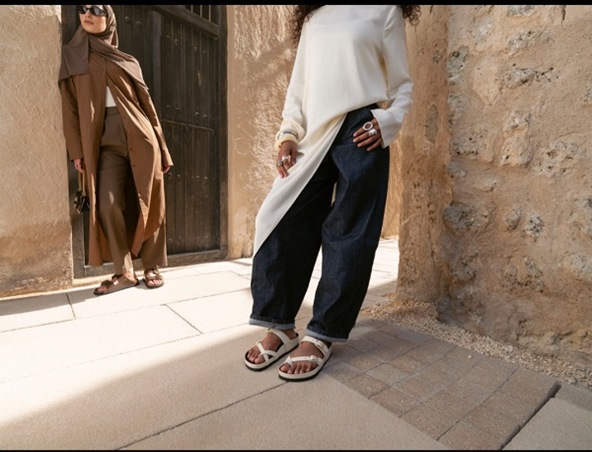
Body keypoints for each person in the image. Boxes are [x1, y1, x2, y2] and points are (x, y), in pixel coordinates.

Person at [244, 5, 420, 381]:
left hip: (361, 129)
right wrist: (288, 133)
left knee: (349, 232)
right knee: (279, 218)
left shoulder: (384, 10)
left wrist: (387, 121)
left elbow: (401, 84)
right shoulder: (315, 16)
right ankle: (281, 325)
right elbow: (299, 86)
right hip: (312, 134)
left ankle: (323, 332)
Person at [59, 5, 174, 295]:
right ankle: (124, 271)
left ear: (108, 19)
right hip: (102, 141)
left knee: (150, 199)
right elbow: (69, 109)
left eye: (96, 9)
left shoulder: (127, 60)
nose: (87, 13)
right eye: (82, 8)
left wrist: (162, 146)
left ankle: (151, 266)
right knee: (107, 204)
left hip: (140, 134)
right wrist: (76, 151)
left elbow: (146, 105)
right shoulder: (72, 56)